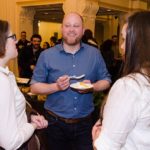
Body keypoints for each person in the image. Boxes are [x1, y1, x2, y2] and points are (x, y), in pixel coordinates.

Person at [30, 12, 111, 150]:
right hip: (55, 125)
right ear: (62, 28)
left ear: (83, 30)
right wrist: (56, 86)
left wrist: (92, 87)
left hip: (85, 125)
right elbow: (34, 87)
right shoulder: (47, 55)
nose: (71, 29)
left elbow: (106, 80)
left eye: (76, 26)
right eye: (67, 25)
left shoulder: (94, 54)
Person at [92, 11, 150, 150]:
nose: (121, 47)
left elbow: (107, 147)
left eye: (125, 40)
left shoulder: (129, 86)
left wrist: (97, 139)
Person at [0, 20, 48, 150]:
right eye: (12, 37)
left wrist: (30, 115)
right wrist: (32, 125)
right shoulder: (2, 81)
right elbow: (10, 142)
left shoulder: (7, 74)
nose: (16, 41)